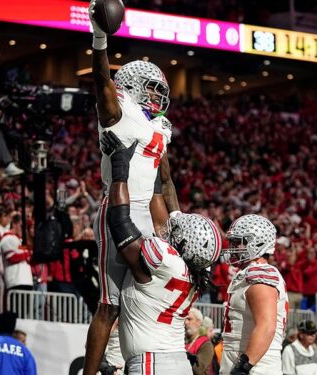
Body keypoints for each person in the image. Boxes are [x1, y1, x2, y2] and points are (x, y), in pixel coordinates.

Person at [82, 0, 179, 371]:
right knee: (108, 304)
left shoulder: (157, 127)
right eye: (151, 88)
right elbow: (100, 79)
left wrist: (177, 220)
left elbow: (165, 182)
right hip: (117, 209)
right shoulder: (117, 107)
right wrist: (100, 38)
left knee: (139, 299)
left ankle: (125, 365)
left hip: (144, 215)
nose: (158, 95)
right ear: (132, 86)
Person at [98, 131, 221, 373]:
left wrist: (120, 170)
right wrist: (154, 163)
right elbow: (165, 202)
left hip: (151, 364)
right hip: (177, 363)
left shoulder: (165, 260)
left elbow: (119, 221)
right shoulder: (196, 272)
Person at [220, 214, 289, 375]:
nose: (234, 247)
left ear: (257, 242)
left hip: (257, 368)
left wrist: (243, 367)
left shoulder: (260, 273)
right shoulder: (249, 272)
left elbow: (266, 326)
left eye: (239, 242)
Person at [185, 308, 214, 375]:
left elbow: (198, 370)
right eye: (185, 319)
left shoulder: (206, 344)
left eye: (189, 319)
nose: (186, 322)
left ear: (199, 322)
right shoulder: (182, 342)